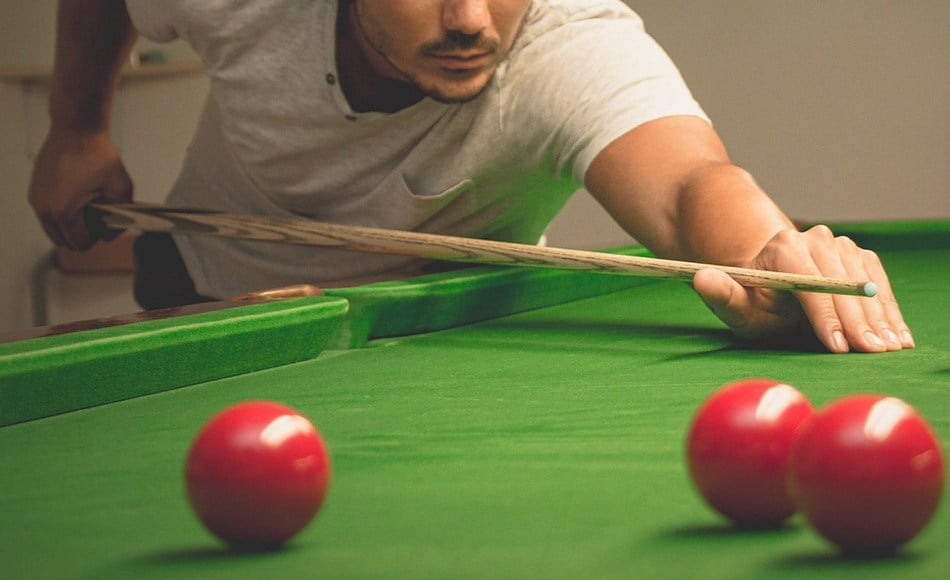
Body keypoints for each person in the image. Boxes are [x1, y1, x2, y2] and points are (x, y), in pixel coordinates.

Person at [27, 0, 913, 354]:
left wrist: (765, 250)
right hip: (208, 276)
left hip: (436, 333)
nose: (469, 18)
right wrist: (78, 131)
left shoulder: (570, 43)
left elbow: (689, 182)